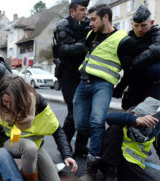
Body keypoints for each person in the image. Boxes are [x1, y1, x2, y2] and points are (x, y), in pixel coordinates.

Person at [72, 3, 135, 178]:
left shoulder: (123, 39)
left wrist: (120, 88)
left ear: (105, 17)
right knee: (80, 124)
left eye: (93, 19)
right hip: (83, 83)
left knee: (97, 121)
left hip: (103, 85)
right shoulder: (91, 34)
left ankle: (92, 167)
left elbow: (129, 69)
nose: (89, 22)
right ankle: (106, 143)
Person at [0, 75, 77, 181]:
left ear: (22, 99)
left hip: (36, 147)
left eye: (13, 103)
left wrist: (67, 155)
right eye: (6, 102)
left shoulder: (37, 103)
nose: (9, 107)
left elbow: (57, 129)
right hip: (10, 143)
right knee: (29, 147)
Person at [53, 0, 90, 157]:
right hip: (67, 73)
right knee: (74, 111)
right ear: (72, 11)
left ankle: (81, 147)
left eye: (86, 9)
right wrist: (87, 44)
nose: (85, 12)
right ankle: (64, 145)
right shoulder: (63, 25)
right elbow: (65, 50)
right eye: (82, 9)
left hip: (85, 72)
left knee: (86, 112)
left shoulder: (90, 23)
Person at [99, 97, 160, 181]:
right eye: (136, 114)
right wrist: (135, 119)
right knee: (115, 128)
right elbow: (108, 117)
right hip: (110, 161)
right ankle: (110, 169)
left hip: (131, 164)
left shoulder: (153, 131)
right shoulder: (127, 120)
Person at [113, 5, 160, 110]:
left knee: (146, 118)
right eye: (136, 25)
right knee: (129, 117)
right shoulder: (128, 39)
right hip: (135, 84)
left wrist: (134, 63)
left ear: (151, 23)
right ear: (132, 24)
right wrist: (121, 86)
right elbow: (128, 69)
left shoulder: (156, 33)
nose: (139, 29)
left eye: (144, 25)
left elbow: (157, 49)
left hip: (153, 85)